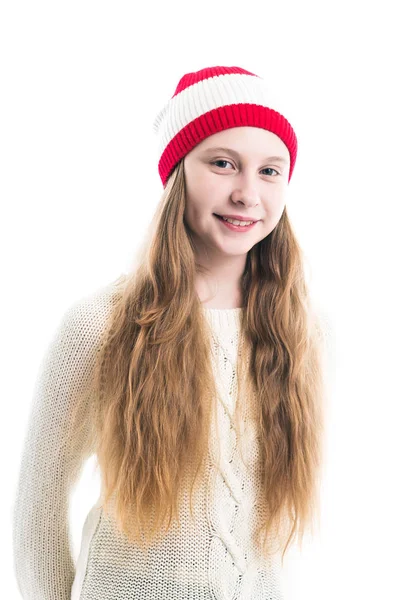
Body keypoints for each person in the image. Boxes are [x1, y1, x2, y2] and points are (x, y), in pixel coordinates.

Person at [12, 65, 331, 600]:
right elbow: (39, 506)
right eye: (223, 164)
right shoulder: (101, 325)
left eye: (270, 171)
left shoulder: (304, 333)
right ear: (178, 173)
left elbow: (266, 538)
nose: (248, 193)